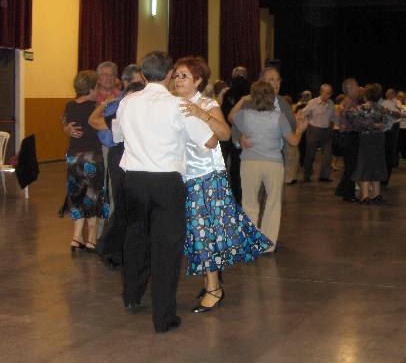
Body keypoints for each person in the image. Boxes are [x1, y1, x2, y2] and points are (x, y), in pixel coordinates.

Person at [113, 51, 217, 333]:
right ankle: (163, 317)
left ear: (143, 74)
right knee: (167, 248)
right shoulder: (178, 105)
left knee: (135, 238)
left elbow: (118, 137)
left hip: (133, 180)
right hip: (166, 182)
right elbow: (209, 141)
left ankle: (132, 295)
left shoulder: (127, 102)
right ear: (169, 74)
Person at [173, 56, 272, 313]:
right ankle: (210, 281)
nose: (178, 80)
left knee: (204, 232)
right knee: (198, 231)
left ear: (198, 80)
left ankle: (214, 288)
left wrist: (202, 115)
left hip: (207, 176)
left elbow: (225, 134)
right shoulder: (174, 104)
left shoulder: (207, 103)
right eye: (176, 75)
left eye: (184, 76)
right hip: (186, 176)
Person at [229, 81, 308, 251]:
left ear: (252, 97)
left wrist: (242, 100)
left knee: (249, 203)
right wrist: (300, 130)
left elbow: (231, 116)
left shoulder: (245, 115)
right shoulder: (279, 117)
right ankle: (267, 245)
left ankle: (250, 242)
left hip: (249, 162)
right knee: (273, 203)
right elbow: (294, 142)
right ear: (273, 97)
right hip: (273, 163)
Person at [89, 78, 145, 269]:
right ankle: (112, 249)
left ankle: (121, 248)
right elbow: (93, 120)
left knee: (131, 206)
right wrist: (105, 104)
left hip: (137, 161)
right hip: (120, 158)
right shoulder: (119, 114)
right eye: (127, 98)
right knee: (122, 204)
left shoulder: (144, 115)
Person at [61, 70, 108, 252]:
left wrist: (66, 129)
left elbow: (65, 123)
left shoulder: (70, 105)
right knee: (92, 195)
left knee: (76, 195)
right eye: (97, 87)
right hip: (92, 156)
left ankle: (76, 237)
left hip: (73, 157)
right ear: (91, 88)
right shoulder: (94, 108)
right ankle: (91, 238)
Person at [348, 83, 390, 205]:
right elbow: (386, 123)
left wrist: (370, 125)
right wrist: (377, 126)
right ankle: (377, 194)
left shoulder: (360, 108)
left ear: (366, 95)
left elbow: (355, 124)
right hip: (379, 138)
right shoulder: (382, 108)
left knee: (365, 164)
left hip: (366, 138)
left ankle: (365, 196)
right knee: (377, 164)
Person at [220, 74, 251, 204]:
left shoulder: (228, 97)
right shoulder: (248, 98)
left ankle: (235, 195)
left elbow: (225, 114)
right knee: (241, 167)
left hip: (229, 137)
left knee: (233, 167)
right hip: (243, 135)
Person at [301, 84, 338, 182]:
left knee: (328, 154)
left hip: (326, 131)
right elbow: (303, 113)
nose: (327, 95)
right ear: (321, 92)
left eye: (329, 93)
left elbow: (334, 117)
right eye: (325, 92)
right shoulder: (313, 102)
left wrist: (340, 125)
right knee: (310, 154)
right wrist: (307, 122)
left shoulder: (331, 103)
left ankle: (324, 176)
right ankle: (307, 175)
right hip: (314, 130)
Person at [335, 78, 361, 203]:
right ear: (350, 88)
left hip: (348, 136)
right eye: (356, 86)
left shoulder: (350, 101)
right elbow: (355, 121)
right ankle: (348, 193)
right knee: (352, 166)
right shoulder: (350, 103)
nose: (358, 88)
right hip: (349, 136)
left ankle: (341, 189)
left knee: (349, 166)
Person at [381, 88, 403, 184]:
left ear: (393, 94)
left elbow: (399, 113)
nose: (387, 95)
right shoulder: (385, 102)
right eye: (386, 93)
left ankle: (393, 163)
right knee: (388, 149)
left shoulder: (396, 102)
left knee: (392, 147)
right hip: (386, 127)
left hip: (393, 126)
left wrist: (389, 111)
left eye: (389, 94)